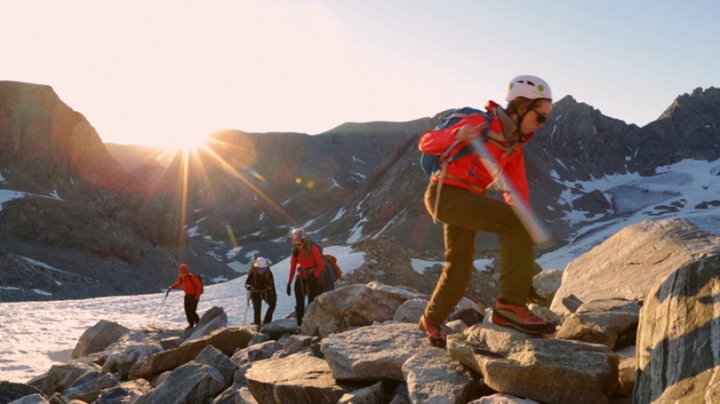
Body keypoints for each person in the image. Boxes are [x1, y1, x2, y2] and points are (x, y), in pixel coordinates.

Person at [417, 75, 557, 347]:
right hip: (444, 194)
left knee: (459, 267)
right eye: (539, 118)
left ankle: (430, 320)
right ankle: (510, 307)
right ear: (520, 107)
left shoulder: (512, 146)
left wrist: (528, 224)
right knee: (512, 224)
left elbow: (516, 192)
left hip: (467, 199)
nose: (540, 125)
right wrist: (457, 134)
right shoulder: (479, 123)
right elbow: (427, 143)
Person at [285, 228, 324, 326]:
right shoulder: (295, 251)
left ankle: (313, 325)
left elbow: (321, 265)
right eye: (295, 243)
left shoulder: (312, 248)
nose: (297, 245)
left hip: (313, 278)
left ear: (303, 239)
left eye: (298, 242)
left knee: (312, 303)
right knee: (299, 304)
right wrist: (289, 283)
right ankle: (300, 325)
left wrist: (314, 275)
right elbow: (293, 267)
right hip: (302, 278)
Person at [168, 263, 203, 330]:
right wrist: (172, 287)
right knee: (187, 311)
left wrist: (197, 296)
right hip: (187, 296)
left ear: (187, 271)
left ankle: (199, 324)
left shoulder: (192, 277)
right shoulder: (181, 278)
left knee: (192, 311)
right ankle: (191, 325)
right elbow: (178, 283)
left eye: (184, 272)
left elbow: (199, 287)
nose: (183, 273)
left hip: (194, 297)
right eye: (181, 272)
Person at [244, 256, 277, 328]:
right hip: (255, 292)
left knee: (272, 304)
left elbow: (272, 285)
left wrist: (274, 295)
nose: (263, 271)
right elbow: (247, 283)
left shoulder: (268, 273)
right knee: (257, 311)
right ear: (257, 268)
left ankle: (266, 321)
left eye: (264, 269)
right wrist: (249, 287)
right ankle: (257, 326)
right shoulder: (253, 273)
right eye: (261, 269)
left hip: (265, 291)